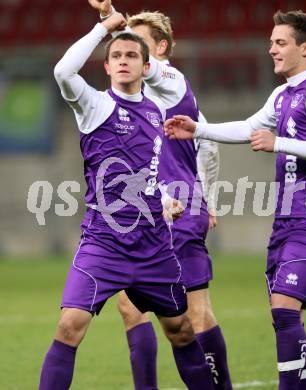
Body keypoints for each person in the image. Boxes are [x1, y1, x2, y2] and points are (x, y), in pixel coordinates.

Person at [165, 10, 306, 390]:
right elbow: (248, 127)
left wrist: (277, 142)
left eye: (280, 43)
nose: (272, 50)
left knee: (284, 310)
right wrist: (199, 129)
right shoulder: (282, 95)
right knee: (287, 316)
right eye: (271, 43)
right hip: (285, 222)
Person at [39, 12, 215, 390]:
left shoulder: (156, 113)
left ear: (146, 65)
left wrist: (167, 198)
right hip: (103, 243)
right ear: (105, 66)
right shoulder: (94, 106)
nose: (122, 59)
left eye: (131, 55)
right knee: (70, 326)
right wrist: (104, 27)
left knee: (181, 331)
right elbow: (63, 72)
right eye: (115, 55)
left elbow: (150, 174)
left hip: (153, 246)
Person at [88, 1, 232, 389]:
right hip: (161, 211)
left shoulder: (169, 79)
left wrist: (108, 19)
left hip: (179, 212)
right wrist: (211, 197)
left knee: (195, 314)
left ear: (161, 49)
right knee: (130, 306)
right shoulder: (146, 102)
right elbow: (210, 147)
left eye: (138, 45)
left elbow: (135, 61)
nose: (127, 52)